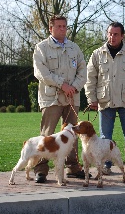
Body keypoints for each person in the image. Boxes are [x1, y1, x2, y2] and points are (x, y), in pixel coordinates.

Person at [84, 21, 125, 175]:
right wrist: (91, 98)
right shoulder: (97, 54)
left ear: (122, 36)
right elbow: (90, 78)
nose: (112, 37)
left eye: (116, 34)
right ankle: (106, 165)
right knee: (105, 137)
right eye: (110, 33)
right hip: (105, 101)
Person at [33, 15, 87, 183]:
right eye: (58, 26)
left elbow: (83, 71)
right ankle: (41, 170)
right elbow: (40, 72)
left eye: (64, 26)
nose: (62, 29)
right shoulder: (41, 48)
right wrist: (62, 85)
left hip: (72, 98)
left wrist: (75, 87)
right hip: (51, 98)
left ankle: (73, 167)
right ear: (51, 29)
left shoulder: (74, 48)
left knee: (73, 133)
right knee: (47, 135)